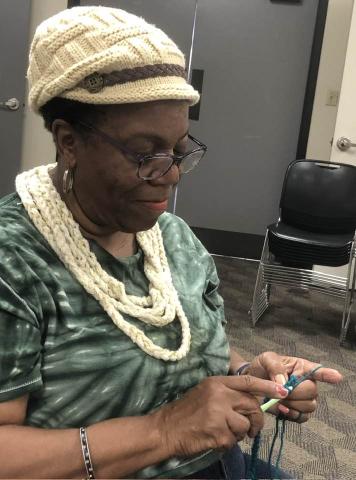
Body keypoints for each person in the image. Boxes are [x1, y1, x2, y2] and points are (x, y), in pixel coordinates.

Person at [0, 6, 342, 479]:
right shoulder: (13, 260)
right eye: (146, 154)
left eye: (179, 151)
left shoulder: (171, 236)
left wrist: (249, 377)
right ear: (68, 141)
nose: (173, 175)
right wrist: (163, 431)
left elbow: (201, 347)